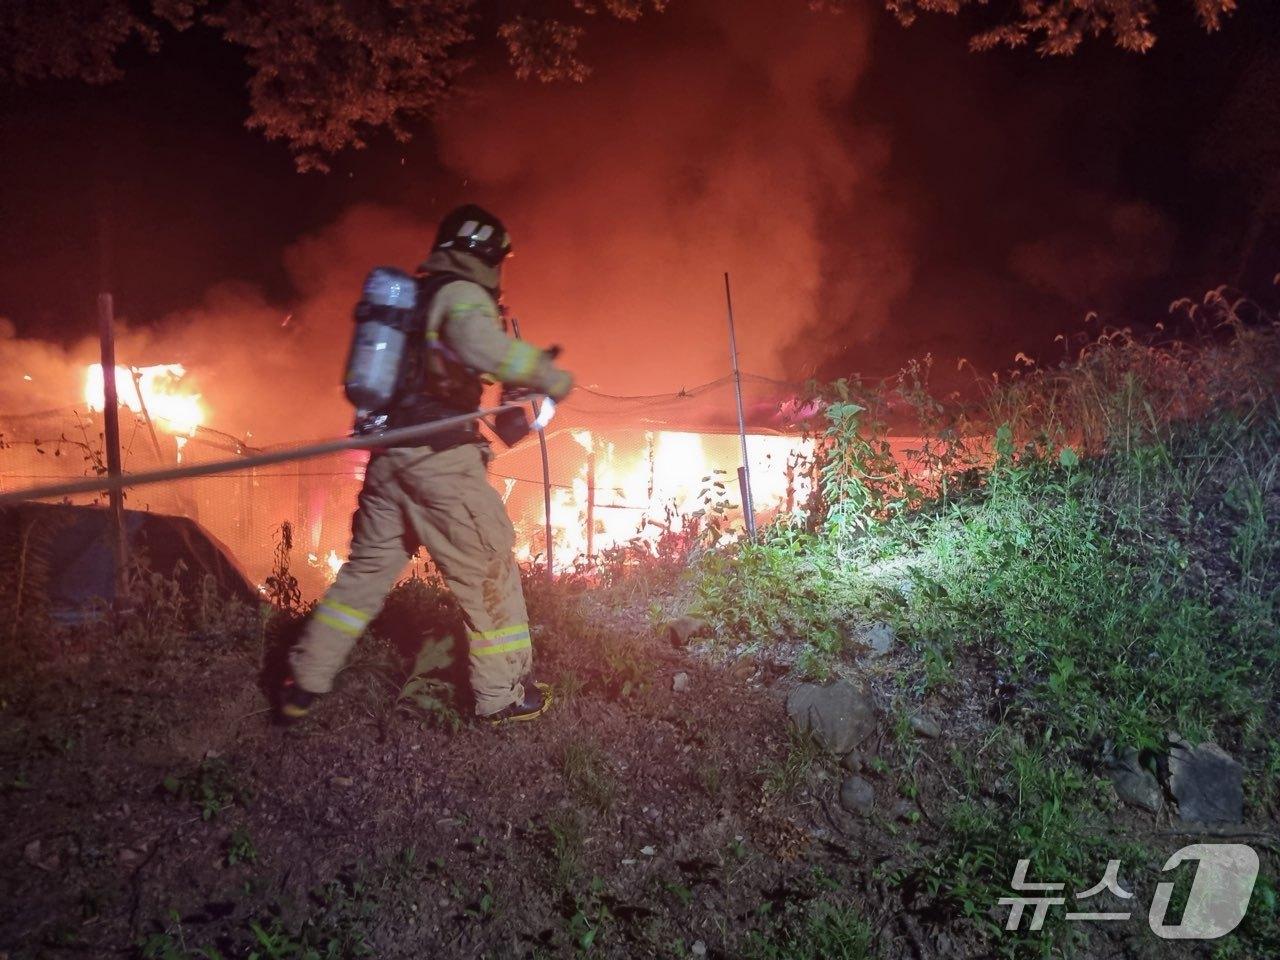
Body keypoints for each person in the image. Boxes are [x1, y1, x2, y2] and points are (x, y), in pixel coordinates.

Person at [281, 204, 573, 725]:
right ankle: (501, 695)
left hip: (391, 460)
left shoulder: (417, 300)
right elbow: (480, 345)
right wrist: (544, 373)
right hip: (440, 464)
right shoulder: (461, 294)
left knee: (364, 577)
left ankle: (304, 681)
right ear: (484, 253)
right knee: (488, 571)